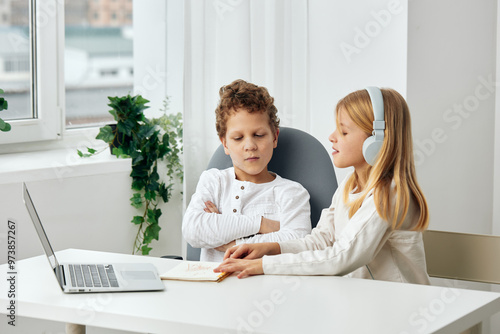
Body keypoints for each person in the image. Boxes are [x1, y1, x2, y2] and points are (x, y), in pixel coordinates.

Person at [214, 87, 431, 285]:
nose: (332, 137)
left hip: (400, 310)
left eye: (344, 132)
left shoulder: (389, 193)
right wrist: (271, 249)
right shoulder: (350, 184)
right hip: (366, 301)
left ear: (377, 142)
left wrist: (263, 266)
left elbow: (342, 256)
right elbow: (322, 240)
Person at [182, 79, 312, 262]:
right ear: (225, 143)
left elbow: (296, 243)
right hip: (213, 288)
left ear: (275, 137)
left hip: (266, 288)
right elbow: (193, 229)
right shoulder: (214, 181)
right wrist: (262, 224)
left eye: (259, 135)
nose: (250, 146)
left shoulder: (292, 193)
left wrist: (231, 243)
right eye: (237, 138)